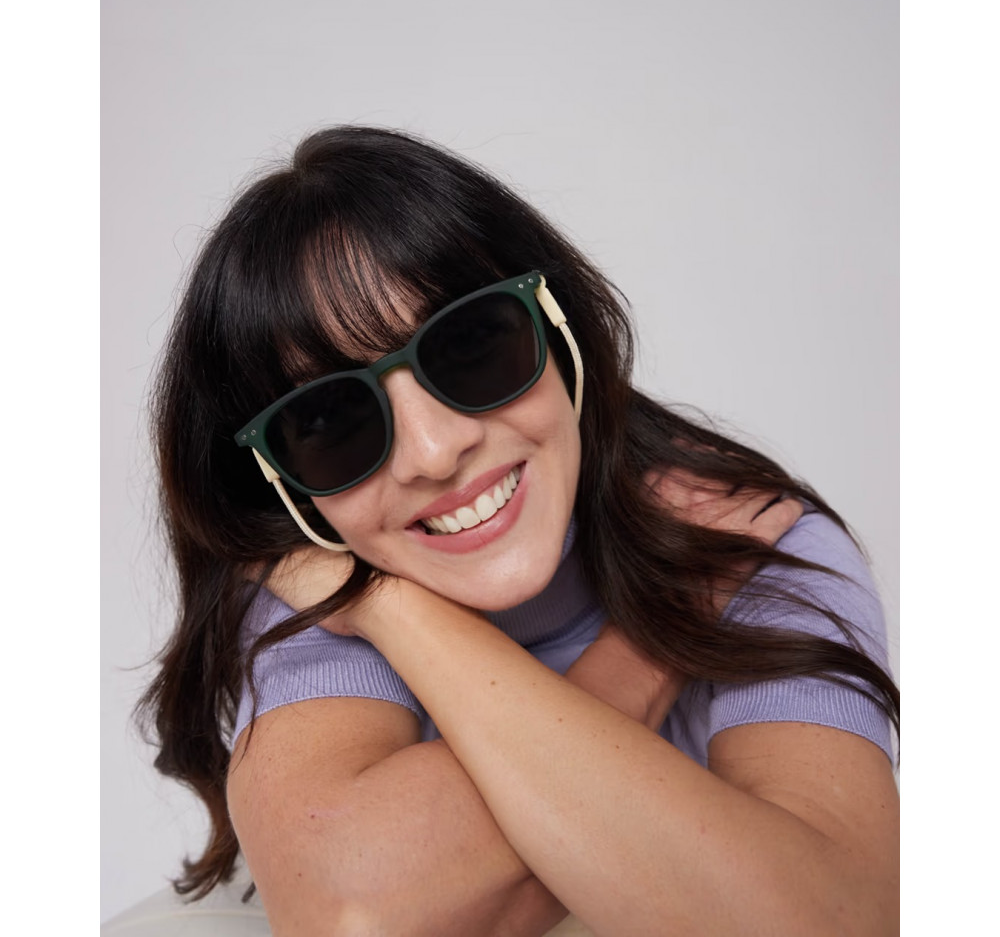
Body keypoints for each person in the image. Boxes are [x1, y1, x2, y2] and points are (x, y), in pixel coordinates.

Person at [141, 125, 899, 936]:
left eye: (469, 345)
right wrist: (644, 652)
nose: (434, 452)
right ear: (281, 481)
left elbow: (840, 920)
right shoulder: (324, 578)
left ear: (556, 326)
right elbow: (355, 913)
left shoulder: (748, 539)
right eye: (330, 420)